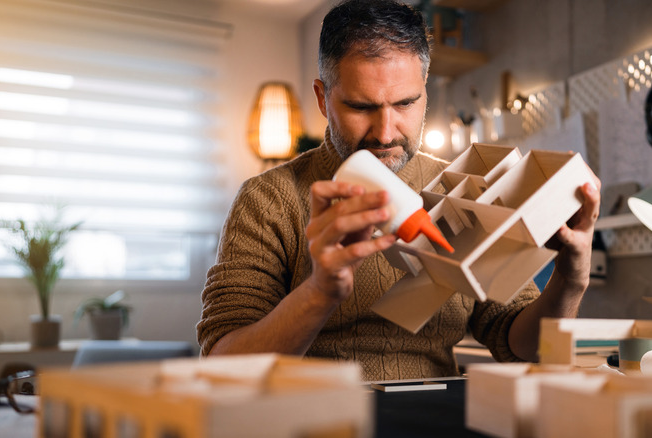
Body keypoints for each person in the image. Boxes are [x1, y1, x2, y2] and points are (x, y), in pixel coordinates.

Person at [197, 0, 600, 381]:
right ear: (323, 99)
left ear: (425, 90)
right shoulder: (268, 199)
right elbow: (223, 364)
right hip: (315, 419)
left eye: (406, 104)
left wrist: (570, 280)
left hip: (433, 416)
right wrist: (320, 292)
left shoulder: (463, 189)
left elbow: (522, 345)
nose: (386, 133)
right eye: (360, 107)